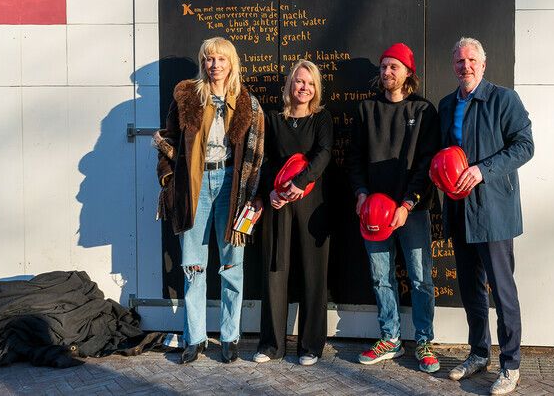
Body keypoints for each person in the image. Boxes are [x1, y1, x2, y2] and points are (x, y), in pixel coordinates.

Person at [154, 37, 265, 365]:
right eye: (208, 59)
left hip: (232, 185)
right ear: (202, 63)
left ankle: (230, 337)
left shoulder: (248, 103)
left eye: (220, 59)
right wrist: (168, 178)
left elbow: (257, 156)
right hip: (196, 184)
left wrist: (253, 194)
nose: (214, 65)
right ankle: (195, 337)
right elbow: (168, 140)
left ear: (232, 63)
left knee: (232, 265)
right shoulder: (187, 98)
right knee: (193, 265)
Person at [439, 37, 533, 395]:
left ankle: (510, 365)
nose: (466, 66)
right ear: (454, 65)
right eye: (459, 60)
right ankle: (479, 352)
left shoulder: (503, 99)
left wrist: (482, 171)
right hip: (459, 209)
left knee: (502, 290)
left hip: (493, 210)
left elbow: (525, 146)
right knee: (470, 288)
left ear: (484, 63)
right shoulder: (448, 104)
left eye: (471, 60)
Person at [347, 43, 441, 373]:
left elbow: (428, 164)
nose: (387, 72)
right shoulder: (366, 110)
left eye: (394, 67)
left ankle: (425, 340)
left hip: (411, 210)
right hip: (372, 211)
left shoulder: (425, 110)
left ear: (407, 73)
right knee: (380, 277)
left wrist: (408, 202)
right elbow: (354, 159)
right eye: (384, 66)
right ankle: (390, 338)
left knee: (419, 278)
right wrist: (360, 193)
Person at [253, 60, 333, 366]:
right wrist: (269, 192)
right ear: (289, 85)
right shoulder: (273, 118)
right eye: (299, 82)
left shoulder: (322, 118)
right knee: (275, 269)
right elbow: (265, 157)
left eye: (310, 83)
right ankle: (271, 344)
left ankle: (311, 345)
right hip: (277, 201)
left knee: (314, 272)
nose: (304, 88)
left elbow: (323, 153)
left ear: (316, 88)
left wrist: (300, 183)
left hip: (312, 202)